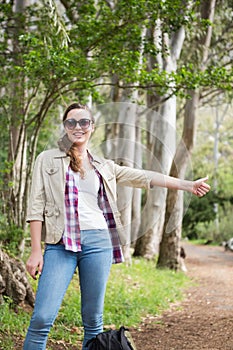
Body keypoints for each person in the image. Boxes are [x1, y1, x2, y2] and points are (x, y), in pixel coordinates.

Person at [23, 102, 210, 350]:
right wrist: (36, 250)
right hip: (60, 244)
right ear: (65, 127)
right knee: (42, 318)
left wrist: (187, 184)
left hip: (98, 243)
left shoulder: (104, 166)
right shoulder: (47, 160)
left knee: (93, 320)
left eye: (83, 122)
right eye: (71, 122)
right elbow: (36, 205)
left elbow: (144, 176)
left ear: (92, 127)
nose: (77, 127)